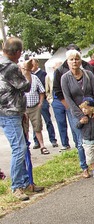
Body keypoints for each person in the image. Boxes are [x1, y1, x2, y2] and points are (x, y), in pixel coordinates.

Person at [0, 37, 43, 201]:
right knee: (19, 148)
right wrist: (27, 71)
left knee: (23, 146)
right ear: (17, 52)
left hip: (11, 110)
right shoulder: (9, 66)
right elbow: (25, 86)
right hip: (9, 112)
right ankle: (17, 186)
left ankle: (25, 182)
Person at [60, 48, 94, 178]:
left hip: (93, 111)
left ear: (81, 60)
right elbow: (68, 98)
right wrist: (80, 116)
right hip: (77, 113)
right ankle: (84, 167)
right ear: (68, 62)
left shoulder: (88, 74)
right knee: (81, 142)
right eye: (71, 59)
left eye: (77, 59)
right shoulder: (65, 78)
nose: (74, 61)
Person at [30, 59, 58, 150]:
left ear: (37, 65)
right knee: (35, 122)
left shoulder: (43, 74)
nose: (31, 67)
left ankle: (53, 139)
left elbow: (46, 87)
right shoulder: (29, 75)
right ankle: (36, 141)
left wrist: (47, 99)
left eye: (33, 65)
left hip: (43, 100)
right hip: (32, 102)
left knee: (48, 120)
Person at [23, 64, 49, 155]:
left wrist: (40, 103)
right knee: (24, 128)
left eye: (27, 69)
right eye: (24, 69)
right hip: (23, 108)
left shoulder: (34, 78)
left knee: (37, 126)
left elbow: (41, 91)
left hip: (34, 106)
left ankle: (42, 146)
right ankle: (26, 148)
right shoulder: (18, 79)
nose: (26, 70)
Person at [48, 61, 71, 151]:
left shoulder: (66, 75)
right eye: (55, 68)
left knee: (73, 122)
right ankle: (65, 143)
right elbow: (47, 88)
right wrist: (50, 100)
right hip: (56, 101)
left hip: (67, 99)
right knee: (61, 123)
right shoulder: (49, 76)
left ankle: (78, 143)